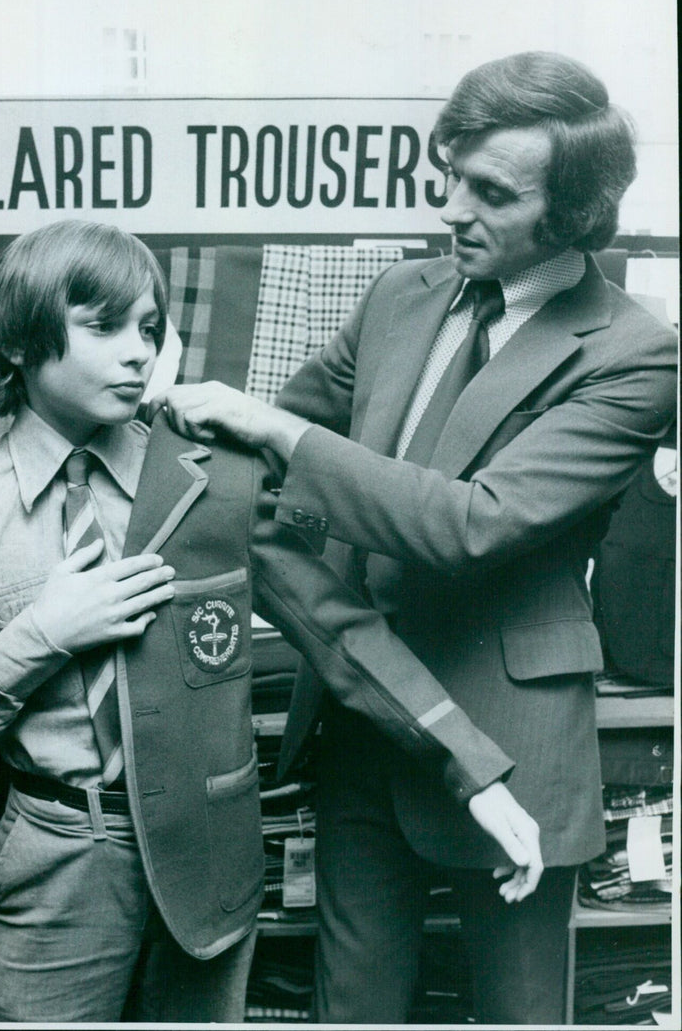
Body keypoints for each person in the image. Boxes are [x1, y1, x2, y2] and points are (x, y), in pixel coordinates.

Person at [0, 219, 542, 1024]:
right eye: (105, 327)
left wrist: (471, 769)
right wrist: (42, 634)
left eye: (150, 329)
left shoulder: (205, 480)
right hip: (54, 869)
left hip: (210, 866)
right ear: (23, 341)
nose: (139, 352)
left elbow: (342, 634)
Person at [150, 52, 678, 1024]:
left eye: (486, 191)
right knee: (351, 1010)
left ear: (569, 213)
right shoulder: (400, 296)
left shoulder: (630, 352)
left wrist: (278, 435)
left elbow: (468, 524)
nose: (448, 207)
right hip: (361, 719)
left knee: (522, 1016)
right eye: (446, 174)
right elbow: (270, 461)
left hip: (509, 733)